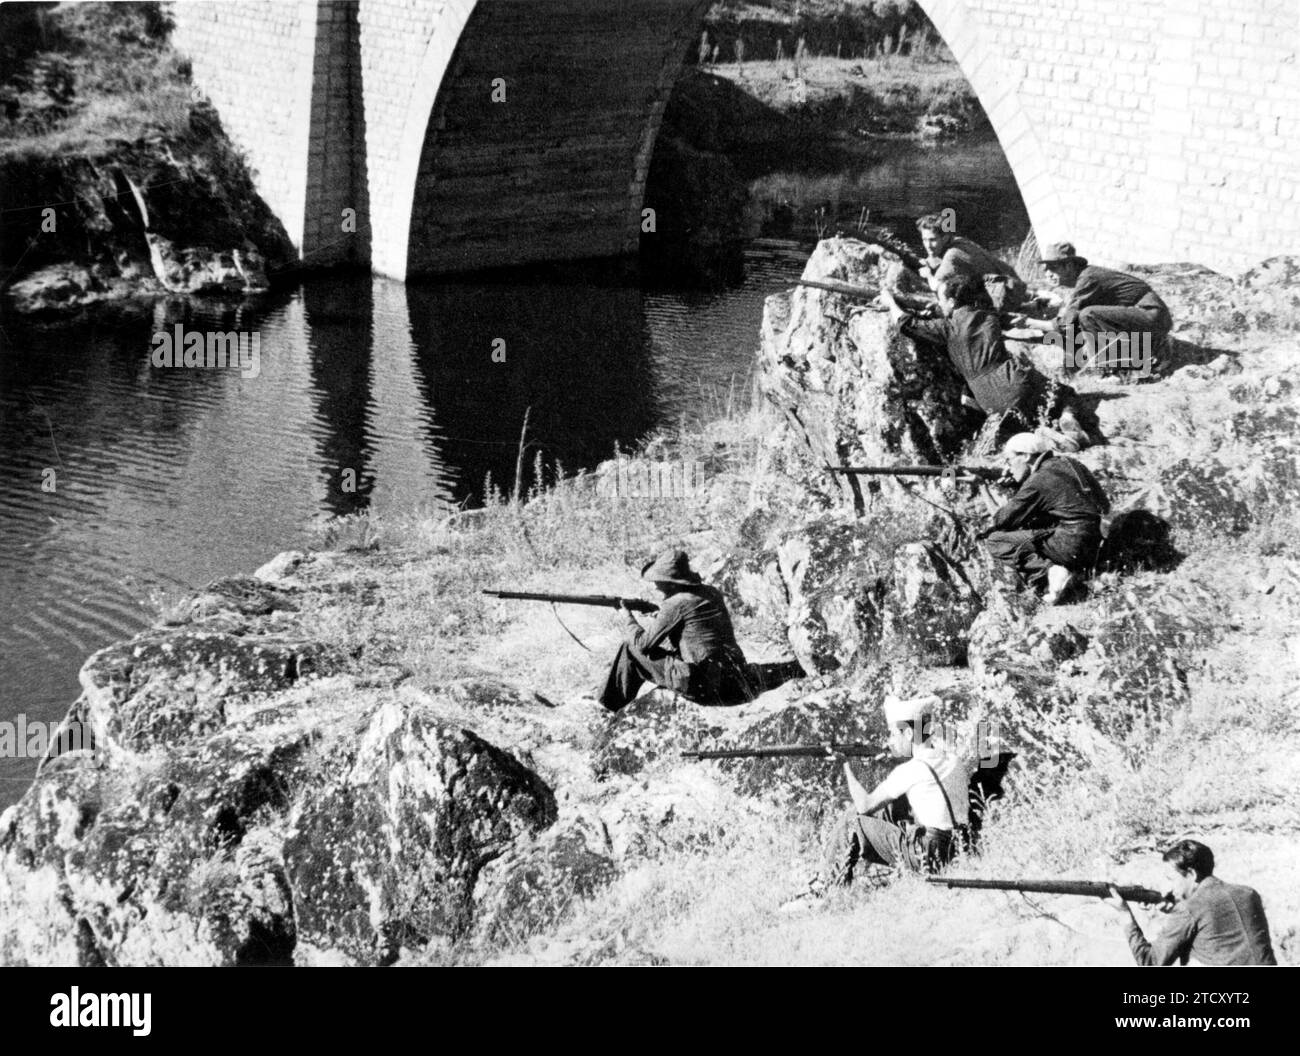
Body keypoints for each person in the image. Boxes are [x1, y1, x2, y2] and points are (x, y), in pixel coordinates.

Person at [885, 276, 1083, 447]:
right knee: (1064, 394)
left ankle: (1041, 433)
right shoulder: (988, 316)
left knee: (1017, 422)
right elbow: (1011, 320)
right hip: (1014, 380)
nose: (940, 304)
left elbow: (905, 323)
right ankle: (1067, 418)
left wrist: (890, 301)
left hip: (986, 398)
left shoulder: (946, 328)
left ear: (952, 302)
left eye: (941, 300)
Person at [822, 694, 975, 886]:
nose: (890, 741)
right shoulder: (952, 759)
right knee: (893, 806)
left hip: (930, 854)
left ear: (909, 734)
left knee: (853, 820)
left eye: (894, 734)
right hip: (960, 847)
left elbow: (864, 805)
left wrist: (845, 764)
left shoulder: (911, 769)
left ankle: (826, 886)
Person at [596, 548, 752, 711]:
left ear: (671, 582)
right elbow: (696, 628)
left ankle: (609, 707)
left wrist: (627, 616)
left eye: (659, 580)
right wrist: (661, 617)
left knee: (629, 648)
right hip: (734, 675)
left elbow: (643, 645)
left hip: (704, 685)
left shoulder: (675, 604)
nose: (656, 585)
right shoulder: (711, 592)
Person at [976, 432, 1109, 604]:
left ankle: (1052, 573)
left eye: (1009, 460)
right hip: (1097, 540)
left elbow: (1002, 521)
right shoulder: (1070, 463)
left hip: (1071, 544)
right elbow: (1104, 504)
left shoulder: (1038, 480)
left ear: (1025, 456)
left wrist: (981, 487)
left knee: (995, 541)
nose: (1007, 467)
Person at [1102, 840, 1277, 966]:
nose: (1169, 887)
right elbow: (1214, 929)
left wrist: (1125, 914)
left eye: (1171, 878)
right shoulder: (1249, 894)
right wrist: (1174, 911)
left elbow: (1150, 962)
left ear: (1192, 874)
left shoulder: (1188, 910)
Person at [1016, 242, 1173, 374]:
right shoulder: (1087, 277)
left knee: (1088, 315)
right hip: (1148, 317)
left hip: (1151, 315)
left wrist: (1030, 323)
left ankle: (1118, 369)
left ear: (1069, 265)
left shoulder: (1088, 278)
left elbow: (1066, 323)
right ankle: (1131, 360)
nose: (1048, 274)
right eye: (1046, 269)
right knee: (1085, 317)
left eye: (1053, 268)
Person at [916, 213, 1027, 312]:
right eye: (924, 240)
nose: (928, 246)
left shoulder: (953, 255)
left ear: (945, 238)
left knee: (946, 300)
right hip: (1012, 286)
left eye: (932, 240)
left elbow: (936, 286)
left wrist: (928, 275)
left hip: (1006, 296)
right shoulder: (960, 241)